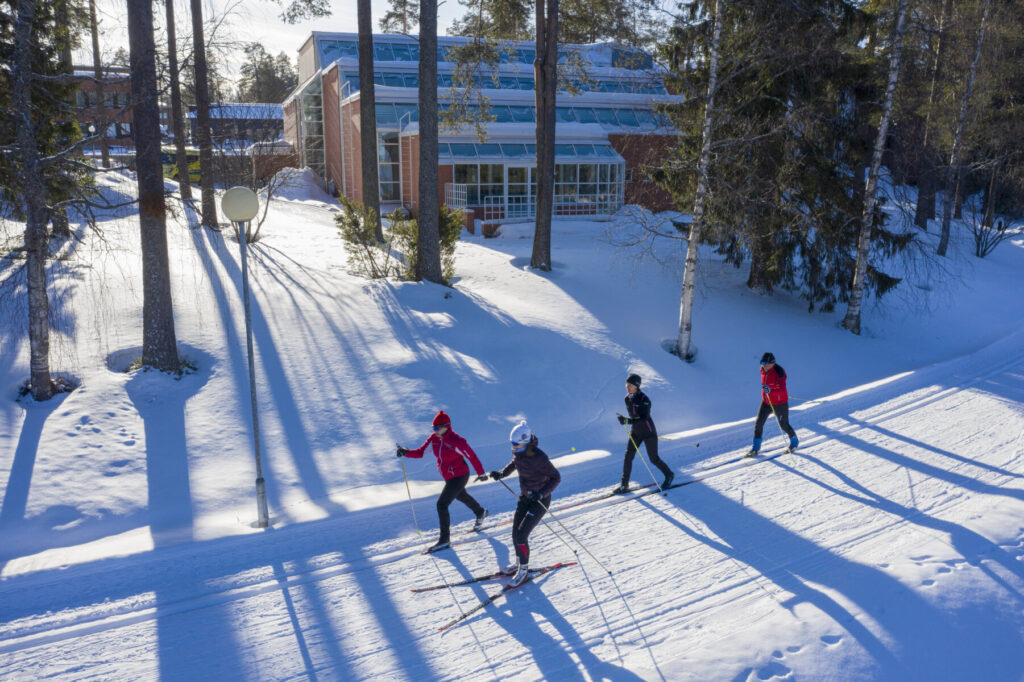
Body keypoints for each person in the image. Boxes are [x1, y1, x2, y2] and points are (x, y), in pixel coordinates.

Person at [397, 410, 489, 552]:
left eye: (437, 428)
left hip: (460, 475)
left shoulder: (456, 441)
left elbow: (471, 456)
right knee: (460, 495)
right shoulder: (434, 439)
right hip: (449, 476)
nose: (435, 431)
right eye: (433, 428)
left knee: (442, 504)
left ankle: (445, 539)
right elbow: (421, 452)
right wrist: (406, 452)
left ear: (447, 426)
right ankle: (480, 512)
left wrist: (481, 472)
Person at [489, 420, 561, 587]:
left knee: (522, 536)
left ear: (526, 441)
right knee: (515, 533)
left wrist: (541, 493)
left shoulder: (538, 457)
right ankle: (518, 563)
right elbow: (515, 463)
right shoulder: (520, 453)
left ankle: (523, 571)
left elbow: (556, 477)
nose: (513, 447)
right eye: (512, 444)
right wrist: (502, 473)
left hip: (540, 500)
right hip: (525, 497)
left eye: (516, 444)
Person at [612, 373, 674, 494]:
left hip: (648, 432)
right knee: (628, 456)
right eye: (627, 384)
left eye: (630, 385)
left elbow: (644, 418)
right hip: (636, 432)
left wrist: (628, 421)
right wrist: (623, 420)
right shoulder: (627, 399)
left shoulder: (644, 399)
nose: (627, 387)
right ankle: (624, 485)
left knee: (653, 459)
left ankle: (669, 475)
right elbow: (633, 416)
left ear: (637, 386)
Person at [748, 352, 799, 455]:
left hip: (780, 403)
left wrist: (770, 389)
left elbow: (781, 388)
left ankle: (794, 443)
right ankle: (755, 449)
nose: (764, 365)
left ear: (772, 363)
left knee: (783, 425)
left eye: (766, 363)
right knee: (758, 423)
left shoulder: (779, 372)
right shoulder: (762, 370)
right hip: (767, 401)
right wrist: (767, 391)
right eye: (762, 362)